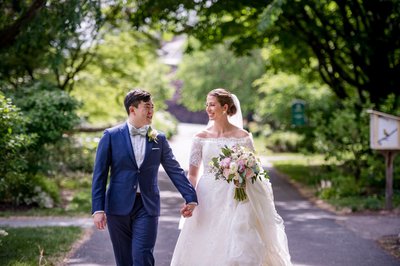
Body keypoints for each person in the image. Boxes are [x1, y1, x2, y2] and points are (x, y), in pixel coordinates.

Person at [171, 88, 292, 266]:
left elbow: (254, 169)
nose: (208, 108)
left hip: (238, 197)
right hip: (208, 198)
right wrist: (190, 199)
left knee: (238, 240)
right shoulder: (200, 138)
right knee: (206, 240)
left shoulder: (244, 137)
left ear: (225, 107)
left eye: (212, 104)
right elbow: (193, 175)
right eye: (207, 105)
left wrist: (243, 174)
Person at [91, 89, 198, 266]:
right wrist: (98, 209)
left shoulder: (159, 139)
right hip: (117, 206)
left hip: (147, 206)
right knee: (124, 259)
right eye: (146, 107)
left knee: (142, 256)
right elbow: (100, 175)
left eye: (152, 107)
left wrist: (191, 197)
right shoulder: (110, 136)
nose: (151, 111)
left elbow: (174, 169)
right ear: (132, 109)